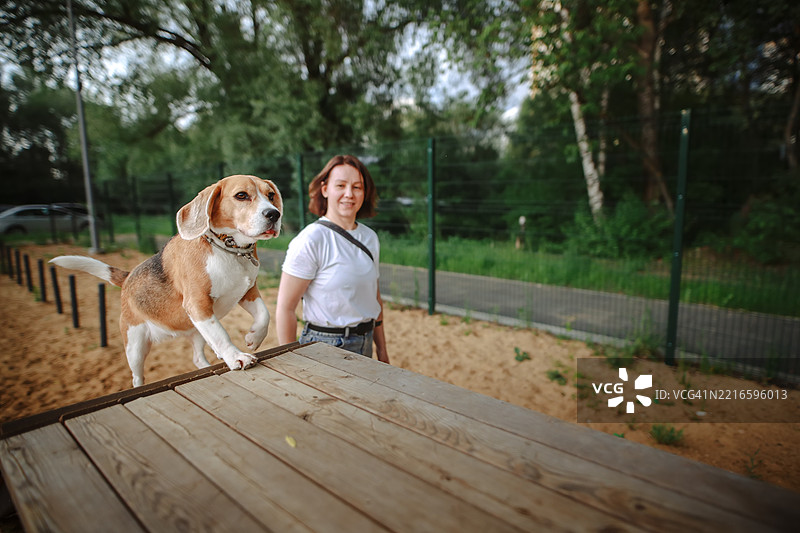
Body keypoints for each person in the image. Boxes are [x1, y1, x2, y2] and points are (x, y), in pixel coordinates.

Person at [276, 155, 389, 363]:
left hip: (366, 341)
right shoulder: (311, 240)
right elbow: (285, 308)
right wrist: (289, 362)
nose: (349, 194)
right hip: (326, 346)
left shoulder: (370, 238)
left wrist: (382, 350)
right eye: (341, 185)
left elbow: (375, 297)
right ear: (325, 189)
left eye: (357, 187)